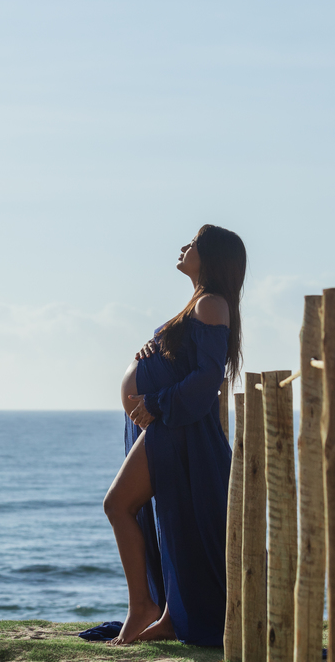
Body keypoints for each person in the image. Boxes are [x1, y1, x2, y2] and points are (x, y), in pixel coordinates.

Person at [103, 224, 245, 646]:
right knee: (170, 517)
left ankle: (143, 607)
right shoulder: (200, 303)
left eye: (194, 243)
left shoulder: (211, 303)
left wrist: (157, 401)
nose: (185, 247)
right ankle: (169, 612)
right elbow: (187, 362)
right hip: (162, 423)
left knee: (117, 504)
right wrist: (156, 349)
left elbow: (207, 379)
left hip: (173, 426)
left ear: (212, 255)